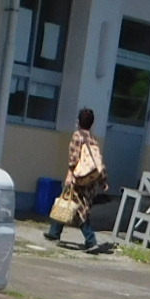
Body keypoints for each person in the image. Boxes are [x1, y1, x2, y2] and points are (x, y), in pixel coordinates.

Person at [45, 106, 106, 251]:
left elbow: (74, 158)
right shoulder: (93, 139)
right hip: (90, 181)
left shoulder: (77, 136)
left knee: (78, 208)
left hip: (78, 179)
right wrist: (103, 180)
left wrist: (70, 174)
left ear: (79, 121)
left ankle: (91, 240)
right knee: (67, 201)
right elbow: (98, 161)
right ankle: (54, 232)